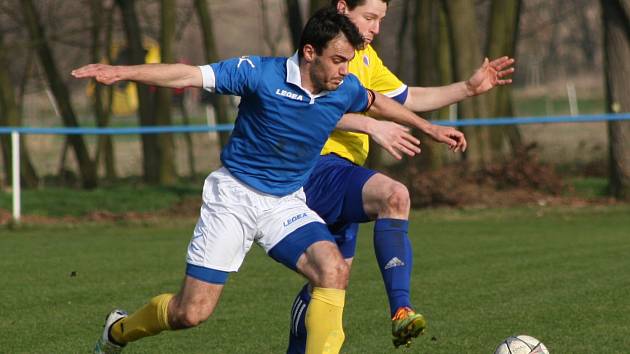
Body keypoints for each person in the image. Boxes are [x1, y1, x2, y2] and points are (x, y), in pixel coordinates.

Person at [73, 8, 460, 354]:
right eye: (339, 60)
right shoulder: (258, 73)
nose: (346, 71)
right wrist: (123, 72)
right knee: (190, 313)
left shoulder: (342, 88)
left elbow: (377, 101)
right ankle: (118, 331)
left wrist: (428, 127)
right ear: (310, 53)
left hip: (285, 202)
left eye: (350, 62)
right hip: (235, 198)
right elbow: (189, 75)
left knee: (333, 270)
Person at [286, 0, 515, 351]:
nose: (376, 28)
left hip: (343, 171)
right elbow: (305, 108)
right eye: (369, 18)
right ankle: (401, 311)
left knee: (331, 281)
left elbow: (405, 97)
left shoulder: (365, 58)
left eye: (381, 20)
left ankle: (300, 335)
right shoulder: (320, 56)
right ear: (343, 8)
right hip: (314, 166)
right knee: (394, 195)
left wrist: (467, 89)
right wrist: (370, 125)